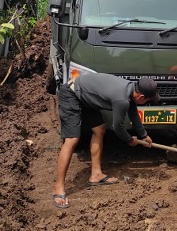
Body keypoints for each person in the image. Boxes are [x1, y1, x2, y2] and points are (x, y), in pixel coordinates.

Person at [52, 73, 160, 208]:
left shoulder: (130, 89)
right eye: (148, 100)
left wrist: (144, 135)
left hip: (84, 96)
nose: (147, 102)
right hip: (71, 94)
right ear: (141, 97)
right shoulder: (122, 99)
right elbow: (118, 127)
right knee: (72, 140)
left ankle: (96, 175)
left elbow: (133, 113)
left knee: (99, 129)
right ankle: (58, 188)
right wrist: (130, 140)